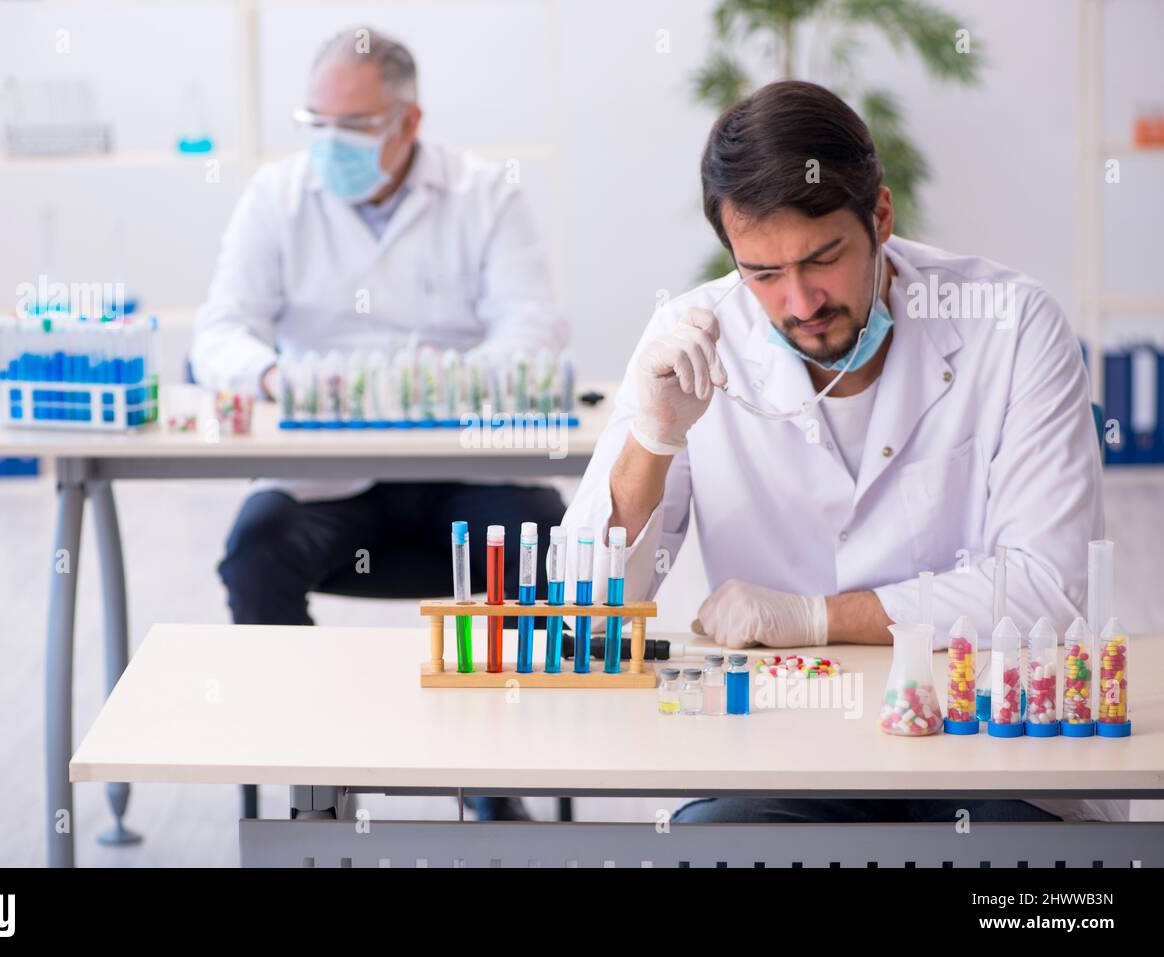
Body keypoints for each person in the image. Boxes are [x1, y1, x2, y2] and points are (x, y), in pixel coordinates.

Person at [560, 79, 1119, 826]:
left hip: (982, 734)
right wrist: (653, 440)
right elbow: (581, 616)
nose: (800, 302)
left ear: (881, 215)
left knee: (1028, 888)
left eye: (823, 258)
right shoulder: (691, 339)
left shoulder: (1011, 325)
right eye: (762, 273)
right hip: (773, 745)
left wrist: (815, 616)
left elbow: (1050, 589)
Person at [192, 27, 565, 821]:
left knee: (540, 541)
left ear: (409, 121)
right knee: (255, 551)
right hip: (330, 474)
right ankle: (312, 780)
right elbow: (218, 332)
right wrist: (276, 376)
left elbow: (533, 328)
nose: (331, 144)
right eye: (314, 123)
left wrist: (432, 386)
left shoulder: (483, 193)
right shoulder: (276, 196)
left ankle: (494, 781)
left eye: (354, 127)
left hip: (464, 470)